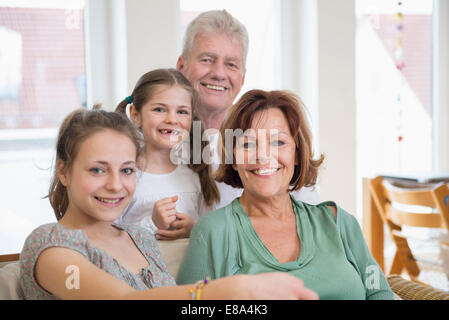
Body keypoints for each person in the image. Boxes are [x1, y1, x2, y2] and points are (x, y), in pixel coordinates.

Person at [18, 107, 318, 300]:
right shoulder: (50, 246)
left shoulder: (139, 238)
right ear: (64, 171)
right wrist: (234, 289)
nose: (115, 185)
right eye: (97, 169)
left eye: (126, 170)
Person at [177, 90, 394, 300]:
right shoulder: (212, 232)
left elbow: (377, 289)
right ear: (234, 158)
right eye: (249, 144)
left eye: (278, 142)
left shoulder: (338, 222)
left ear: (297, 154)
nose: (263, 156)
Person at [176, 9, 320, 208]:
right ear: (181, 66)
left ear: (243, 77)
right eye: (207, 60)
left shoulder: (271, 143)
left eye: (231, 64)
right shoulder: (153, 140)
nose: (219, 73)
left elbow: (309, 215)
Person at [115, 69, 219, 240]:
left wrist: (194, 229)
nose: (172, 119)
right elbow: (109, 238)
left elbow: (208, 234)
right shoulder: (123, 176)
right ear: (135, 115)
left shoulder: (196, 173)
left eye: (182, 112)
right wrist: (152, 223)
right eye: (159, 109)